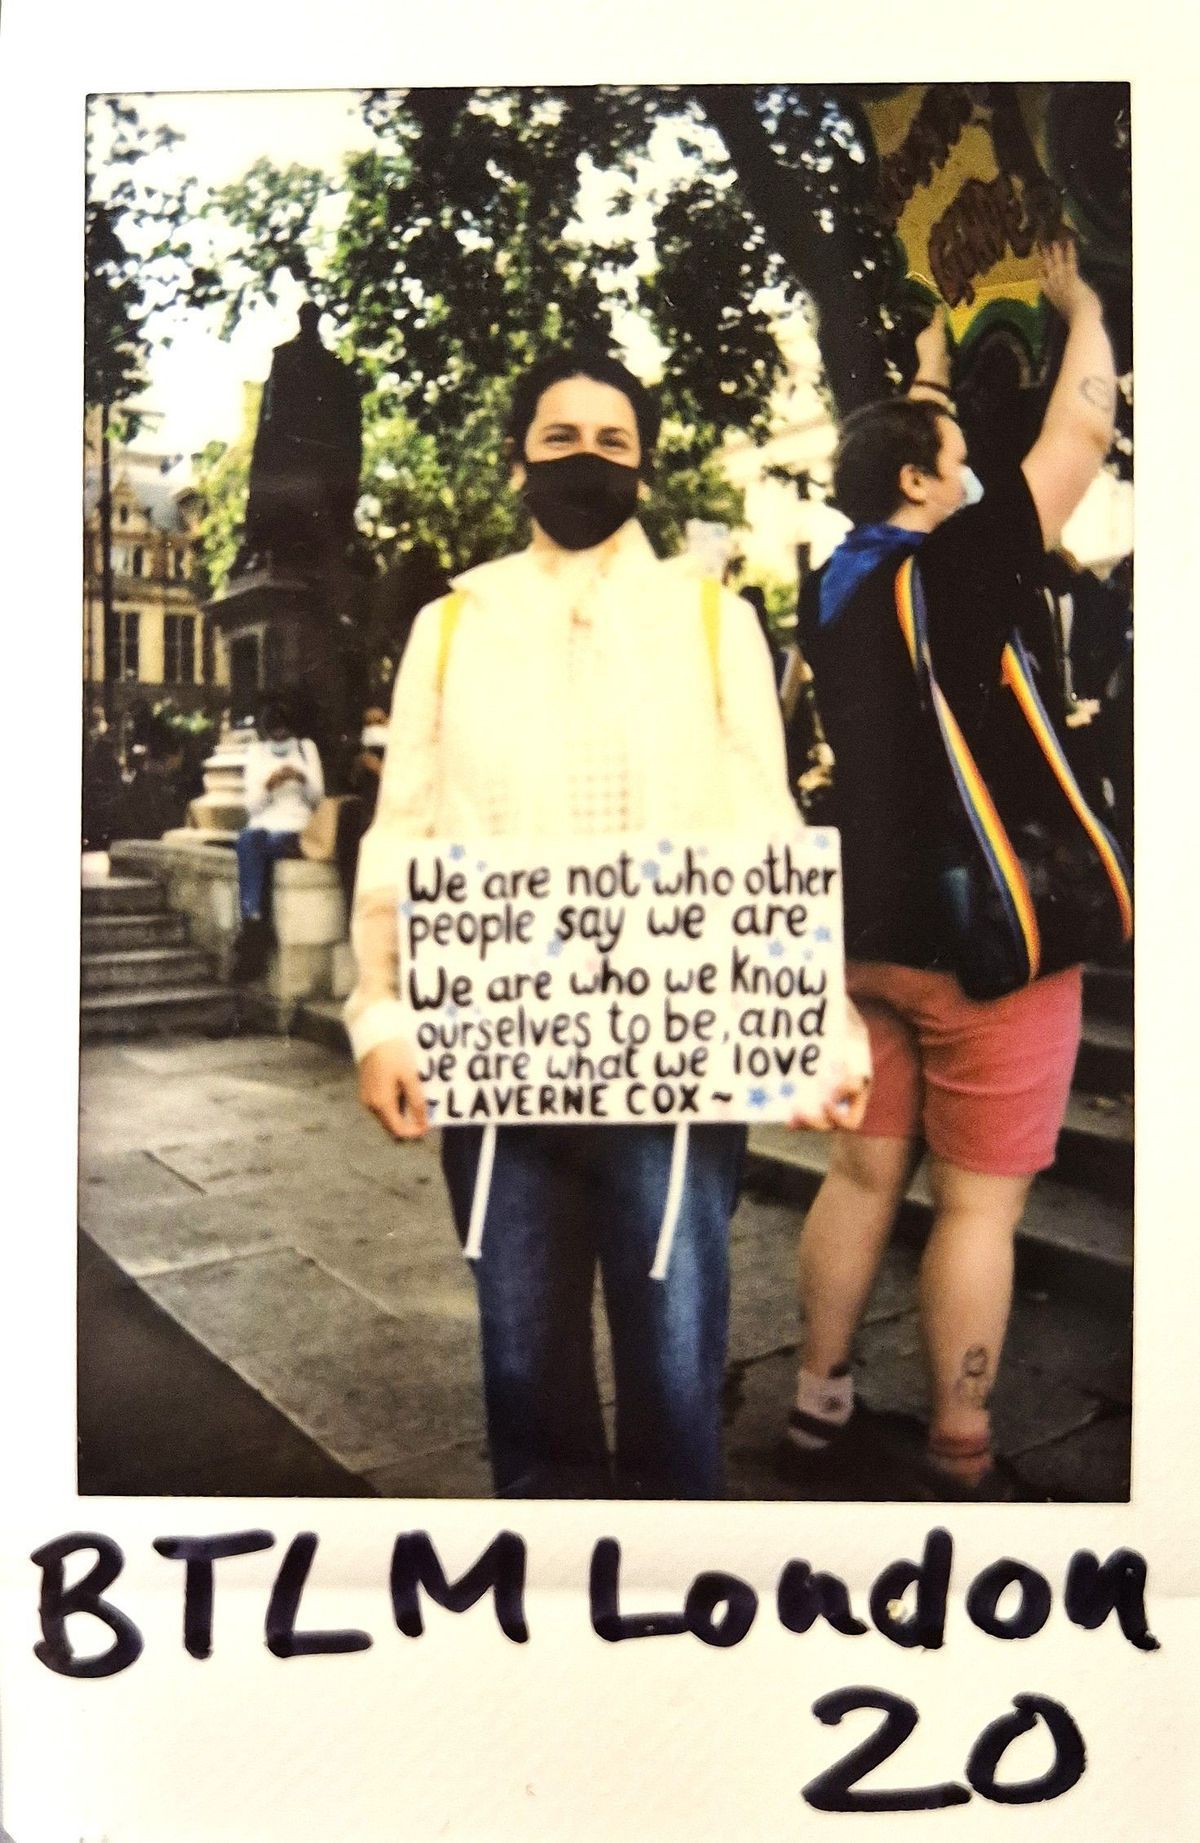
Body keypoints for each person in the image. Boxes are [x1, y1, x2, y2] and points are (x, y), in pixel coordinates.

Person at [346, 347, 870, 1500]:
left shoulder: (709, 620)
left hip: (672, 1068)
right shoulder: (450, 626)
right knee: (525, 1364)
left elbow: (763, 827)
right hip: (499, 1060)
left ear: (645, 465)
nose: (587, 459)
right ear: (519, 458)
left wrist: (821, 1022)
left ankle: (677, 1611)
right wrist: (381, 1015)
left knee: (676, 1366)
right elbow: (402, 831)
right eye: (561, 438)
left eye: (613, 442)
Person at [785, 242, 1118, 1496]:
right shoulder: (964, 565)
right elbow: (1081, 438)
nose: (975, 461)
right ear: (922, 482)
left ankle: (816, 1408)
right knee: (978, 1211)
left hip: (869, 938)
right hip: (989, 946)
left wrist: (926, 367)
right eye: (953, 452)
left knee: (864, 1171)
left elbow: (910, 445)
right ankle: (961, 1443)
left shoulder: (839, 586)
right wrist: (1089, 311)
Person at [233, 697, 324, 979]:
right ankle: (253, 920)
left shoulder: (306, 749)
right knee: (247, 840)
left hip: (295, 829)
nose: (281, 737)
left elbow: (317, 799)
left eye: (285, 731)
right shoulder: (257, 753)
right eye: (276, 733)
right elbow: (251, 806)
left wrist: (302, 778)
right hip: (263, 826)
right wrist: (270, 785)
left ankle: (253, 929)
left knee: (263, 845)